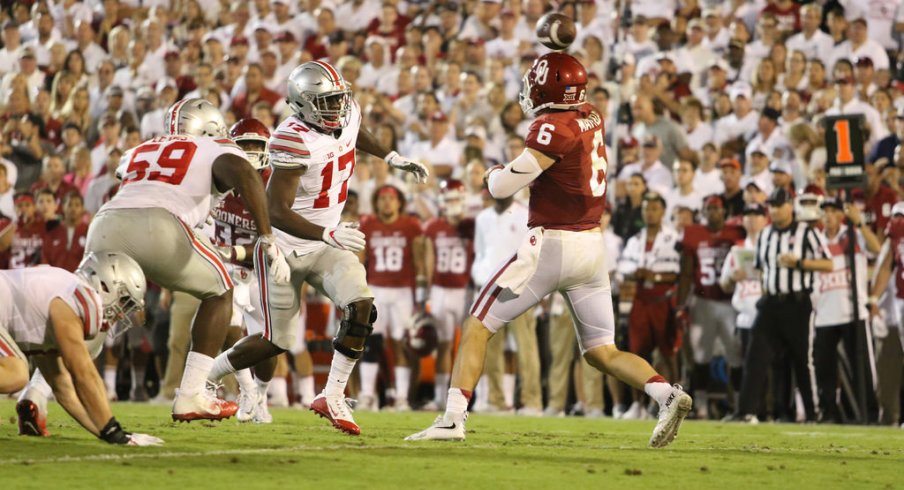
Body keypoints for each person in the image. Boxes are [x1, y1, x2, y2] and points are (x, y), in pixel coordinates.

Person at [406, 52, 691, 447]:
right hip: (592, 247)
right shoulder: (590, 113)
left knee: (476, 325)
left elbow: (502, 187)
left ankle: (453, 418)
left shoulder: (551, 126)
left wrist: (492, 174)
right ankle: (667, 394)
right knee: (601, 352)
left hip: (553, 244)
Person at [204, 60, 428, 436]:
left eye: (339, 99)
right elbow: (275, 212)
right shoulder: (291, 138)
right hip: (286, 248)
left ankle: (333, 395)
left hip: (327, 240)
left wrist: (391, 157)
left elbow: (355, 132)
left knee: (361, 307)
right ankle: (205, 377)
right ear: (303, 103)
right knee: (277, 342)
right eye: (327, 102)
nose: (338, 108)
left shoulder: (346, 112)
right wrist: (327, 234)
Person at [85, 97, 290, 422]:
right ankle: (192, 393)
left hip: (104, 221)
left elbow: (127, 176)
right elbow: (244, 172)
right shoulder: (213, 148)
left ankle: (38, 392)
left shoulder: (144, 146)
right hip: (158, 224)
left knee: (92, 312)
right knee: (221, 290)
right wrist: (267, 236)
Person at [2, 252, 162, 446]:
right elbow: (83, 374)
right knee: (16, 374)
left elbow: (63, 388)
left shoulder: (55, 296)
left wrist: (115, 435)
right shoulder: (78, 296)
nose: (121, 315)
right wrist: (114, 432)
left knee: (15, 372)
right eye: (124, 301)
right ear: (105, 285)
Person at [732, 188, 833, 423]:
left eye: (779, 205)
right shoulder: (765, 234)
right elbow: (760, 269)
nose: (775, 210)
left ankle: (812, 413)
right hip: (770, 304)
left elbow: (827, 263)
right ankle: (745, 411)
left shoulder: (806, 232)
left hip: (797, 303)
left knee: (802, 360)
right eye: (772, 206)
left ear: (791, 206)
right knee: (755, 356)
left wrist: (799, 263)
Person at [208, 118, 278, 424]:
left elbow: (274, 241)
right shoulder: (217, 180)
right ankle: (246, 389)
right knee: (228, 325)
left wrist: (234, 251)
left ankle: (260, 393)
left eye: (255, 145)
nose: (250, 151)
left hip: (262, 269)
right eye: (244, 145)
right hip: (225, 267)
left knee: (269, 342)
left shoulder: (275, 185)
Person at [357, 184, 425, 411]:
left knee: (402, 344)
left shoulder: (410, 225)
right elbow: (360, 260)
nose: (386, 202)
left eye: (391, 198)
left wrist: (421, 295)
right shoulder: (368, 224)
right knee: (371, 343)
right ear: (376, 202)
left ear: (399, 202)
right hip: (376, 288)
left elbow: (419, 261)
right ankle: (367, 395)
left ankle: (402, 397)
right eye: (382, 198)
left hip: (403, 291)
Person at [677, 194, 745, 419]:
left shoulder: (737, 233)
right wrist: (681, 303)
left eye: (716, 208)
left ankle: (739, 403)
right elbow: (686, 272)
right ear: (703, 212)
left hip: (729, 302)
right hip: (702, 300)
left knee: (735, 354)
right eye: (709, 209)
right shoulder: (693, 234)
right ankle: (701, 405)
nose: (713, 212)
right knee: (701, 356)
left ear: (724, 211)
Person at [814, 197, 879, 423]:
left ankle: (869, 413)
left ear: (841, 215)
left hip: (853, 310)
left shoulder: (853, 234)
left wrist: (860, 223)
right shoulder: (815, 239)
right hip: (824, 312)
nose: (829, 216)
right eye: (825, 211)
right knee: (824, 368)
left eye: (833, 211)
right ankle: (829, 413)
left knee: (861, 368)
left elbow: (876, 248)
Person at [618, 191, 682, 419]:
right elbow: (623, 267)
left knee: (668, 352)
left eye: (654, 208)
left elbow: (677, 273)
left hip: (662, 299)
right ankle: (639, 406)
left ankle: (675, 400)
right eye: (646, 208)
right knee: (637, 353)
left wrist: (653, 276)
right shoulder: (635, 239)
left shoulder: (673, 238)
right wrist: (636, 273)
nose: (650, 213)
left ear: (663, 211)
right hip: (640, 299)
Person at [421, 179, 474, 410]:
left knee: (468, 346)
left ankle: (467, 397)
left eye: (455, 199)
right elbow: (428, 260)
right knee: (443, 345)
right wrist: (425, 294)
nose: (452, 204)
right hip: (441, 289)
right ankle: (440, 397)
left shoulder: (473, 225)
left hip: (466, 290)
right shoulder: (433, 227)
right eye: (449, 199)